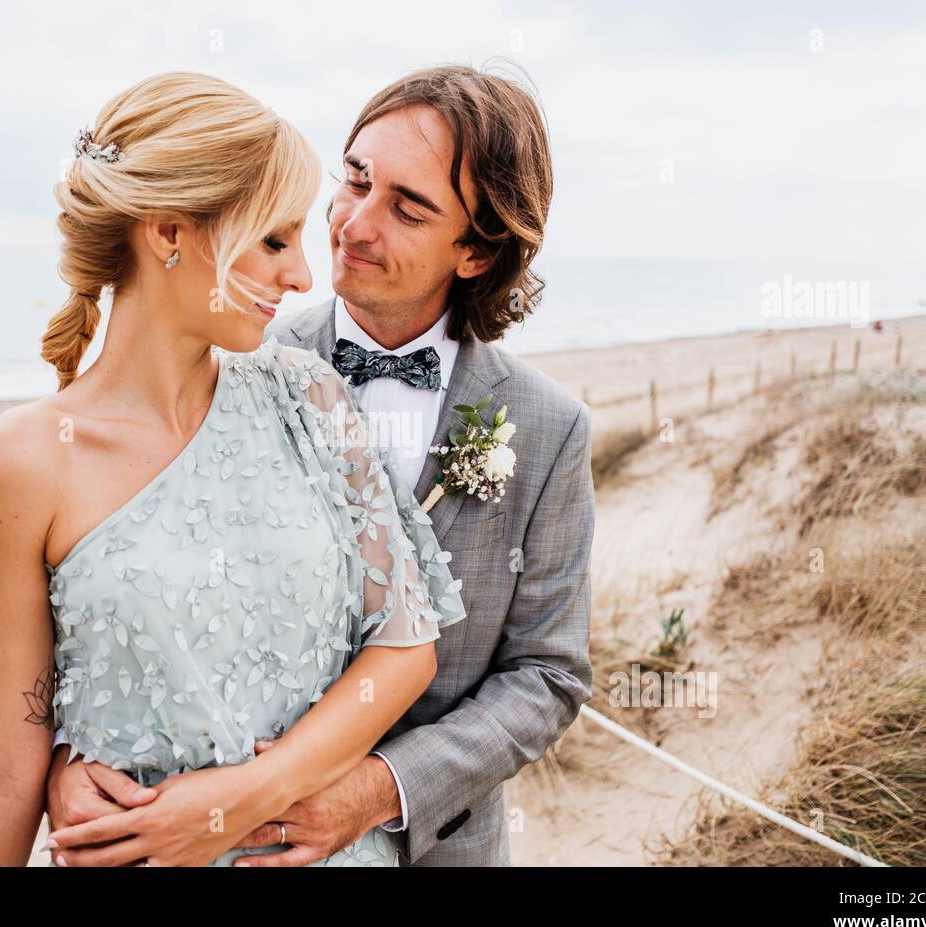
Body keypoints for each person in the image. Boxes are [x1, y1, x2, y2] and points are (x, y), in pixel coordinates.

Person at [45, 64, 596, 867]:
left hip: (439, 847)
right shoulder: (230, 352)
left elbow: (547, 675)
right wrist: (75, 755)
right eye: (356, 179)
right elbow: (120, 585)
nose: (351, 225)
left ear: (475, 252)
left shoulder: (548, 428)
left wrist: (376, 789)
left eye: (407, 208)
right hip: (213, 834)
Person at [0, 71, 465, 867]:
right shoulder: (18, 464)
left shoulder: (311, 398)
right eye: (273, 240)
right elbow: (1, 761)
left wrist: (241, 801)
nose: (302, 276)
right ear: (168, 233)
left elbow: (402, 649)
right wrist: (60, 766)